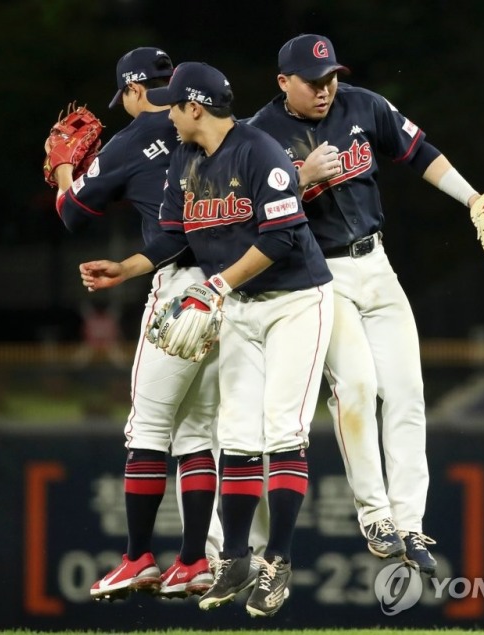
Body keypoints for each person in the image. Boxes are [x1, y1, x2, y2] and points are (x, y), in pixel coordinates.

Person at [79, 61, 334, 618]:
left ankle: (278, 563)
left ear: (195, 108)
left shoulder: (258, 151)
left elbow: (284, 238)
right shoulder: (187, 161)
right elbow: (173, 236)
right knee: (238, 437)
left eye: (172, 104)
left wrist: (215, 285)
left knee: (281, 433)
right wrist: (125, 269)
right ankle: (235, 558)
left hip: (296, 301)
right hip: (238, 303)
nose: (166, 112)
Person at [248, 34, 484, 574]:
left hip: (376, 264)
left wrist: (474, 198)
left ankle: (410, 524)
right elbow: (247, 218)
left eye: (330, 77)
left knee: (409, 392)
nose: (325, 89)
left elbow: (420, 153)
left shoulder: (362, 104)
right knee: (358, 386)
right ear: (283, 82)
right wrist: (299, 179)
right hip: (318, 274)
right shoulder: (259, 136)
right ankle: (376, 517)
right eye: (313, 81)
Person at [46, 47, 224, 601]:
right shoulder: (213, 126)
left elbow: (71, 211)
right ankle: (194, 560)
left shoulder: (128, 141)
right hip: (228, 289)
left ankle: (137, 558)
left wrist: (64, 167)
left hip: (175, 289)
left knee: (148, 428)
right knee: (198, 432)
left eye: (123, 96)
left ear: (134, 90)